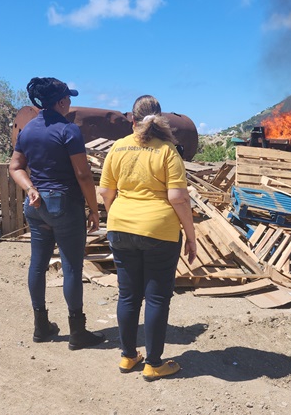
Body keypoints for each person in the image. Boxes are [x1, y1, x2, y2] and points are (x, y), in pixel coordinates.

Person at [98, 95, 197, 381]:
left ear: (131, 118)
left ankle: (128, 357)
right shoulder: (168, 150)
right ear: (161, 117)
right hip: (159, 232)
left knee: (128, 295)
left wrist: (119, 216)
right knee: (156, 298)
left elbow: (106, 193)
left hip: (121, 227)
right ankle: (153, 363)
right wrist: (190, 236)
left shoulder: (117, 148)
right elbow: (178, 198)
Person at [9, 77, 104, 350]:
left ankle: (41, 326)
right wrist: (94, 209)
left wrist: (30, 189)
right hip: (64, 205)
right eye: (69, 99)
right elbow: (83, 174)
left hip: (36, 207)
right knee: (71, 266)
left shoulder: (27, 131)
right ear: (61, 102)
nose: (71, 103)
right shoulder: (68, 130)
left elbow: (15, 167)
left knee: (37, 265)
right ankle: (78, 332)